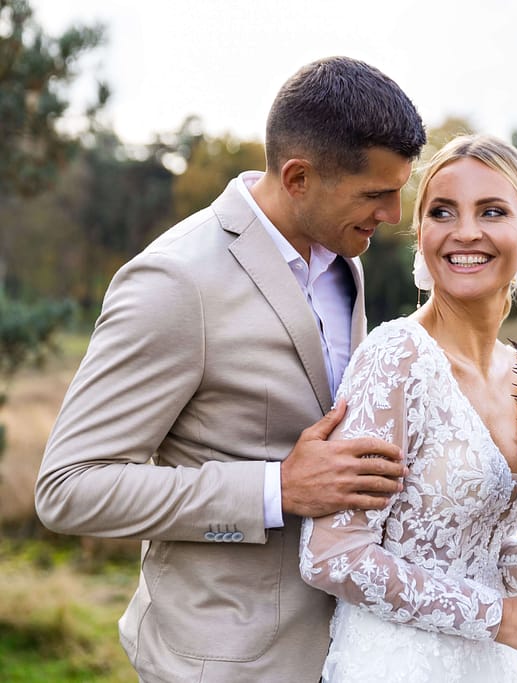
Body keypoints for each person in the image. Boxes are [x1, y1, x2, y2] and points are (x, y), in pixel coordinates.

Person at [35, 56, 425, 682]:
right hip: (222, 662)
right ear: (298, 177)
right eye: (376, 194)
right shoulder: (174, 281)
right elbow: (71, 489)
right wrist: (277, 489)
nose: (394, 213)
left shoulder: (345, 265)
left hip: (349, 649)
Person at [299, 134, 517, 682]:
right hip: (395, 665)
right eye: (442, 212)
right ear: (421, 235)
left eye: (492, 211)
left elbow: (472, 554)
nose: (465, 231)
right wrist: (500, 617)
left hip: (492, 666)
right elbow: (334, 555)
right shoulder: (397, 358)